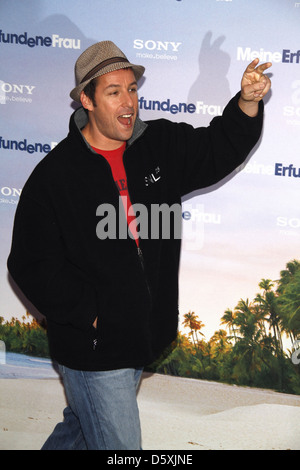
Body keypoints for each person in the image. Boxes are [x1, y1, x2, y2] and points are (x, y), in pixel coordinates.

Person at [7, 40, 271, 450]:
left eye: (132, 89)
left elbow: (217, 148)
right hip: (95, 352)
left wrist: (247, 103)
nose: (128, 102)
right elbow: (29, 263)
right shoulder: (55, 176)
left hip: (140, 338)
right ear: (86, 100)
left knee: (79, 429)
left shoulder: (159, 145)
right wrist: (91, 315)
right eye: (114, 92)